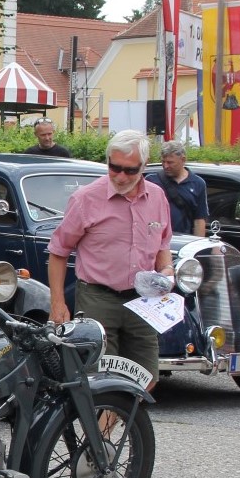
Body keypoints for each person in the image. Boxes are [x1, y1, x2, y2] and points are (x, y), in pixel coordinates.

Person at [47, 129, 172, 385]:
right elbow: (59, 251)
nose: (121, 176)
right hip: (98, 297)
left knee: (147, 377)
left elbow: (162, 244)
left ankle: (114, 425)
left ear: (144, 166)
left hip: (143, 300)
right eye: (115, 168)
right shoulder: (86, 199)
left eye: (130, 170)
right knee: (102, 380)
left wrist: (167, 270)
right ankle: (101, 424)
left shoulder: (157, 197)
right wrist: (58, 304)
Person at [145, 141, 209, 236]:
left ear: (183, 160)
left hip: (183, 240)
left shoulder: (198, 184)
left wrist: (196, 244)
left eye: (170, 162)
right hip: (157, 239)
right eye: (163, 161)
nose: (166, 166)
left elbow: (199, 220)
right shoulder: (151, 180)